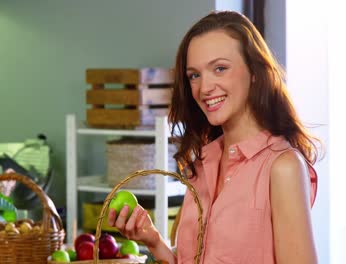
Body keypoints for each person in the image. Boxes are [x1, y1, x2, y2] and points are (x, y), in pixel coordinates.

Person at [107, 10, 321, 264]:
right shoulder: (201, 164)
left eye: (220, 68)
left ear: (254, 71)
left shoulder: (282, 167)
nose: (205, 88)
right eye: (194, 75)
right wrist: (153, 240)